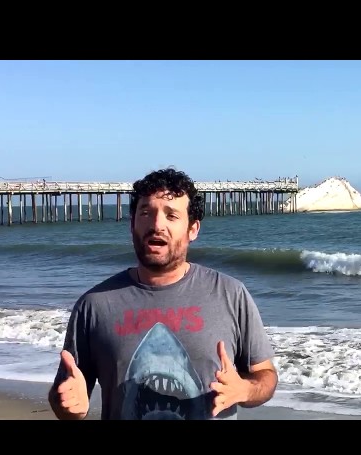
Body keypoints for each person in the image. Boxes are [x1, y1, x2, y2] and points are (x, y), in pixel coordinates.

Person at [48, 167, 278, 420]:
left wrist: (244, 389)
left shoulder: (230, 294)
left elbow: (265, 377)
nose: (157, 224)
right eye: (146, 213)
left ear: (193, 229)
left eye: (172, 215)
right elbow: (64, 394)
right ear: (132, 224)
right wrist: (68, 407)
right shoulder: (94, 305)